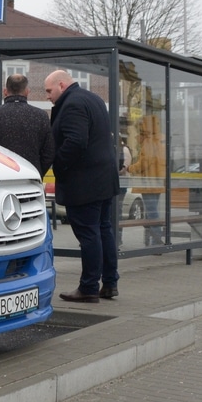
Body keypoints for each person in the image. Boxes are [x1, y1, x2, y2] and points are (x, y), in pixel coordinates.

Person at [45, 69, 120, 302]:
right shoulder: (93, 99)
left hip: (84, 183)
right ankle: (109, 283)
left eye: (49, 91)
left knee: (89, 234)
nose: (47, 96)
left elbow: (76, 141)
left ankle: (88, 287)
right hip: (104, 179)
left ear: (61, 85)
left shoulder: (72, 104)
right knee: (104, 230)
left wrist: (58, 165)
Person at [0, 74, 55, 177]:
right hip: (31, 178)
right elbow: (49, 152)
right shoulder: (41, 115)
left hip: (2, 177)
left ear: (5, 91)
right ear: (27, 92)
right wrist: (37, 172)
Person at [129, 114, 167, 247]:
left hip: (148, 183)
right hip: (156, 181)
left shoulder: (149, 142)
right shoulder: (159, 140)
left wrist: (130, 168)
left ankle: (156, 242)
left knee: (152, 212)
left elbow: (145, 162)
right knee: (152, 211)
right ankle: (154, 241)